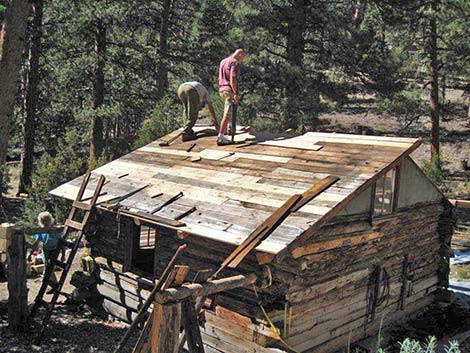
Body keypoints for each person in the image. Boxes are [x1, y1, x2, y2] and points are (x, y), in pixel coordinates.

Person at [217, 48, 245, 146]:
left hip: (222, 89)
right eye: (243, 57)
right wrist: (235, 92)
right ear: (240, 54)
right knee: (227, 113)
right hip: (229, 90)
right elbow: (233, 78)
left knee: (228, 111)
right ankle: (220, 137)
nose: (242, 60)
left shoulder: (223, 61)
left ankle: (229, 129)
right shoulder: (235, 62)